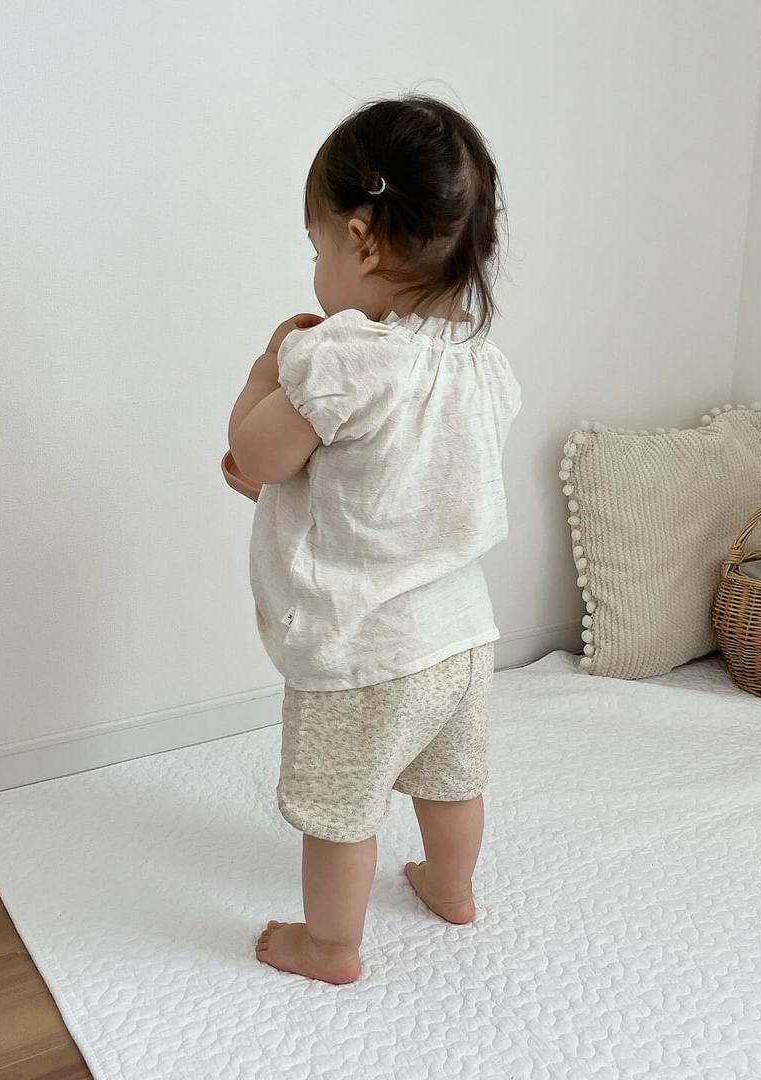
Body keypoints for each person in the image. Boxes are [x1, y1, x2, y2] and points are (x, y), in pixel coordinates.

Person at [225, 94, 521, 984]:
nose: (316, 268)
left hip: (365, 649)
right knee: (452, 781)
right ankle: (451, 888)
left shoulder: (342, 357)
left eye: (315, 249)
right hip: (461, 637)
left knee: (341, 814)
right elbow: (405, 477)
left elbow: (257, 455)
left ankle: (329, 945)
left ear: (359, 239)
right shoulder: (485, 368)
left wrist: (266, 369)